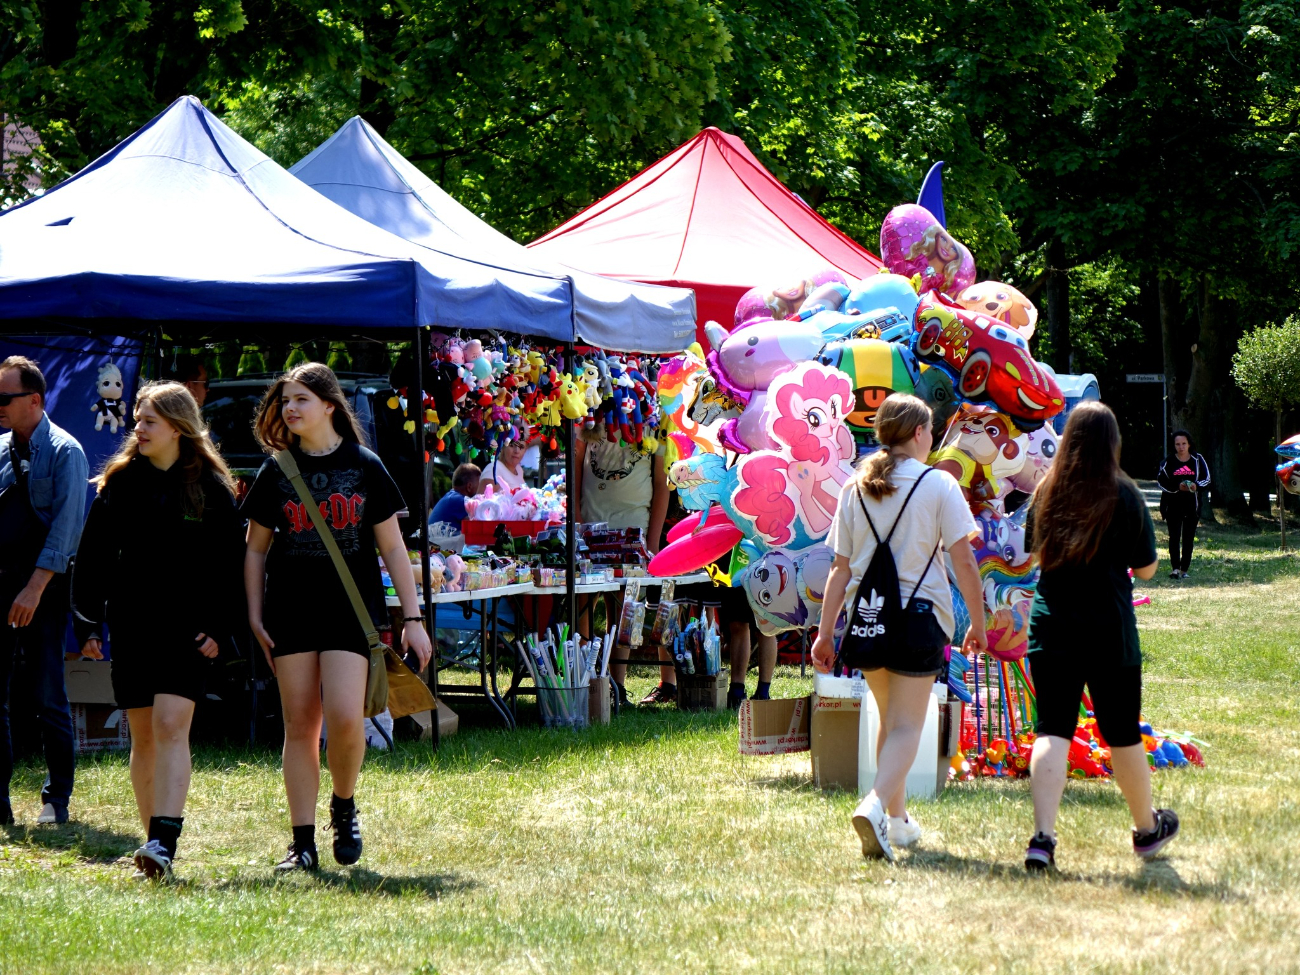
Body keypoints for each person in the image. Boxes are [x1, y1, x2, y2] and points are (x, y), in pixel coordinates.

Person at [242, 362, 432, 872]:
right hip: (291, 612)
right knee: (300, 725)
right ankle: (301, 844)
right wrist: (256, 615)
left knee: (347, 718)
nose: (289, 408)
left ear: (329, 405)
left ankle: (343, 806)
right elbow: (255, 549)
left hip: (353, 611)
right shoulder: (276, 470)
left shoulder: (366, 464)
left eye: (300, 398)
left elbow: (393, 547)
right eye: (285, 400)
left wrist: (412, 618)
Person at [71, 381, 244, 880]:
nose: (139, 429)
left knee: (171, 726)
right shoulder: (120, 483)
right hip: (132, 626)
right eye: (138, 420)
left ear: (177, 427)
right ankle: (154, 845)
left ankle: (163, 841)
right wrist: (88, 623)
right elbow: (93, 559)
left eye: (149, 420)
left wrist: (220, 628)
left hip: (188, 633)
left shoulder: (211, 487)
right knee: (143, 737)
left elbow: (232, 567)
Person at [811, 394, 986, 861]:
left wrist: (826, 634)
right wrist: (980, 622)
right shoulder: (938, 486)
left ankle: (898, 821)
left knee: (892, 722)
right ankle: (872, 806)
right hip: (919, 619)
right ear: (917, 434)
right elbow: (964, 560)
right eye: (930, 431)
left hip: (867, 621)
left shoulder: (856, 484)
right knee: (909, 725)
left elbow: (839, 569)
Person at [1023, 401, 1177, 872]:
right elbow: (1148, 570)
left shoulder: (1046, 491)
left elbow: (1034, 556)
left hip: (1051, 628)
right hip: (1110, 631)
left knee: (1052, 730)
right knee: (1122, 733)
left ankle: (1043, 839)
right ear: (1112, 442)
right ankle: (1147, 829)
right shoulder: (1125, 494)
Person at [0, 356, 89, 827]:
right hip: (1, 583)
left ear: (34, 400)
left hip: (45, 590)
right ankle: (0, 804)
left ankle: (57, 799)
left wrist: (34, 587)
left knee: (47, 694)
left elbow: (67, 528)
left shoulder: (66, 451)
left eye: (5, 397)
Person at [574, 435, 670, 704]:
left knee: (625, 610)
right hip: (591, 529)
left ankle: (617, 687)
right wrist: (579, 524)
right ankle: (583, 684)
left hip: (635, 531)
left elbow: (663, 485)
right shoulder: (588, 413)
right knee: (583, 600)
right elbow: (576, 469)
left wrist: (652, 542)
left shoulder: (654, 418)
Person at [1157, 430, 1209, 579]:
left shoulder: (1198, 460)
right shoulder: (1168, 462)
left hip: (1192, 506)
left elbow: (1207, 479)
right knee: (1174, 537)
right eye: (1178, 444)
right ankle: (1175, 568)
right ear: (1174, 446)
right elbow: (1161, 482)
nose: (1181, 447)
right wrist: (1177, 487)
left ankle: (1184, 570)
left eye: (1184, 443)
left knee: (1188, 538)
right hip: (1172, 506)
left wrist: (1195, 486)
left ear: (1189, 444)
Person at [720, 589, 778, 709]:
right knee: (737, 623)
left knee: (766, 626)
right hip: (734, 572)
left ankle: (763, 693)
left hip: (766, 573)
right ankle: (736, 693)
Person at [429, 463, 480, 531]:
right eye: (479, 485)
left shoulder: (451, 497)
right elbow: (477, 526)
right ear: (469, 487)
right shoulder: (461, 501)